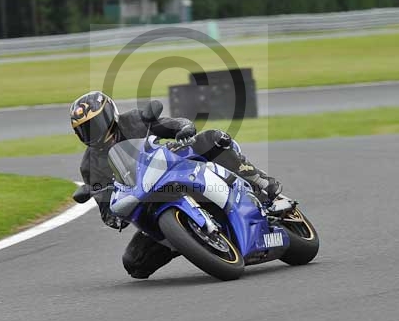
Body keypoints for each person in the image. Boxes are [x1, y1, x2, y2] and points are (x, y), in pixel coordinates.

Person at [69, 90, 282, 279]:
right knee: (134, 264)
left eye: (95, 124)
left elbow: (168, 125)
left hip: (167, 167)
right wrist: (114, 217)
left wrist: (183, 128)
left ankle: (259, 181)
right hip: (144, 202)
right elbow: (105, 208)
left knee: (213, 139)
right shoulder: (89, 165)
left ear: (110, 115)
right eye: (85, 129)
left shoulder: (133, 120)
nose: (92, 132)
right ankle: (185, 239)